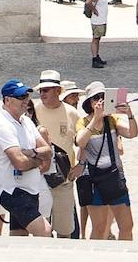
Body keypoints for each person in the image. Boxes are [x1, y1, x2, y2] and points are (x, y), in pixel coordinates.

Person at [75, 80, 138, 240]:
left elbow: (132, 133)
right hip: (93, 179)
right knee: (100, 226)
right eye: (95, 98)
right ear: (89, 103)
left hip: (114, 176)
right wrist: (95, 119)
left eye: (103, 97)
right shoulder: (82, 122)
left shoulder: (112, 120)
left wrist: (129, 115)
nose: (100, 101)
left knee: (127, 225)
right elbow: (80, 142)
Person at [0, 78, 54, 237]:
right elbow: (20, 163)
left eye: (26, 96)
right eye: (21, 97)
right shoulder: (3, 125)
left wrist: (31, 153)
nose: (26, 101)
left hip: (30, 190)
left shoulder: (26, 121)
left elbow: (48, 151)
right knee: (45, 232)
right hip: (13, 191)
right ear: (7, 100)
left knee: (18, 240)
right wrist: (39, 159)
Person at [32, 70, 83, 237]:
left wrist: (81, 165)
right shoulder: (34, 112)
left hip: (64, 180)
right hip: (38, 180)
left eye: (46, 90)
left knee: (65, 231)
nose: (42, 94)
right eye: (41, 90)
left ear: (58, 91)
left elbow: (83, 142)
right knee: (40, 231)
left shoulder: (72, 113)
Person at [86, 0, 110, 69]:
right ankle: (94, 59)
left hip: (101, 20)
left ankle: (97, 56)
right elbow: (88, 2)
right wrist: (94, 10)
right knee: (95, 39)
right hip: (97, 21)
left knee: (98, 38)